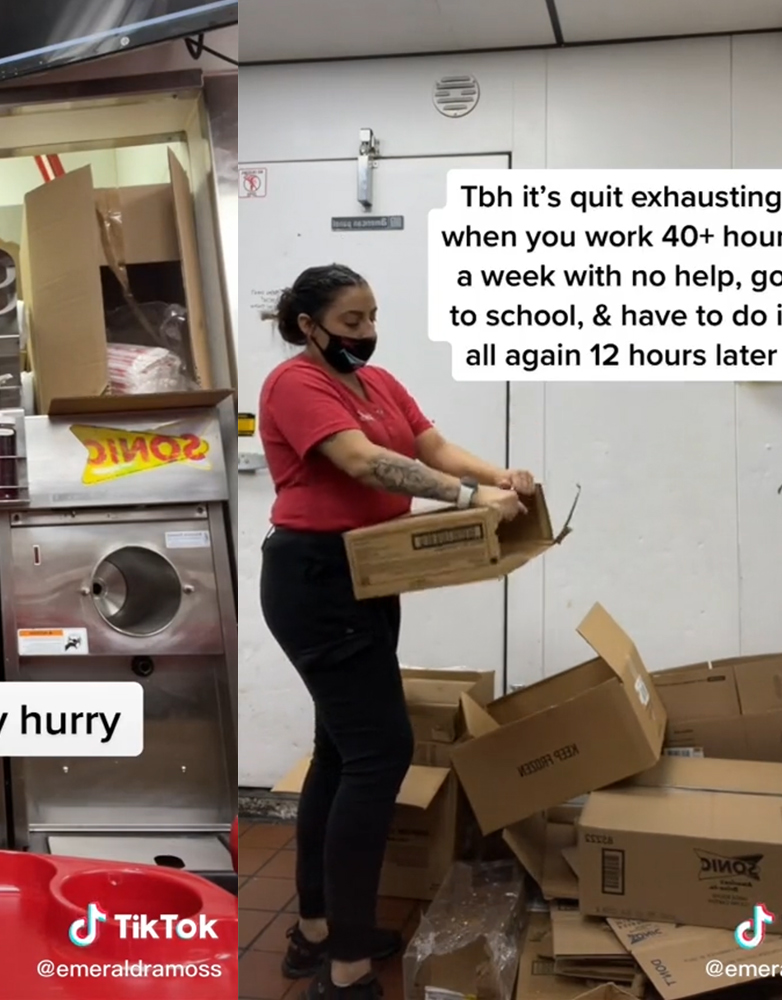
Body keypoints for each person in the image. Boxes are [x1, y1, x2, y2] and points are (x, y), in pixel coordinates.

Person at [256, 264, 536, 999]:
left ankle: (315, 927)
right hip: (314, 583)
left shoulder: (377, 385)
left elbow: (430, 447)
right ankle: (345, 965)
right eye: (351, 322)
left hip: (371, 577)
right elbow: (366, 462)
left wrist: (499, 475)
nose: (367, 333)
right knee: (381, 754)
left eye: (373, 317)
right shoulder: (295, 385)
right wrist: (471, 496)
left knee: (341, 750)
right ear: (310, 326)